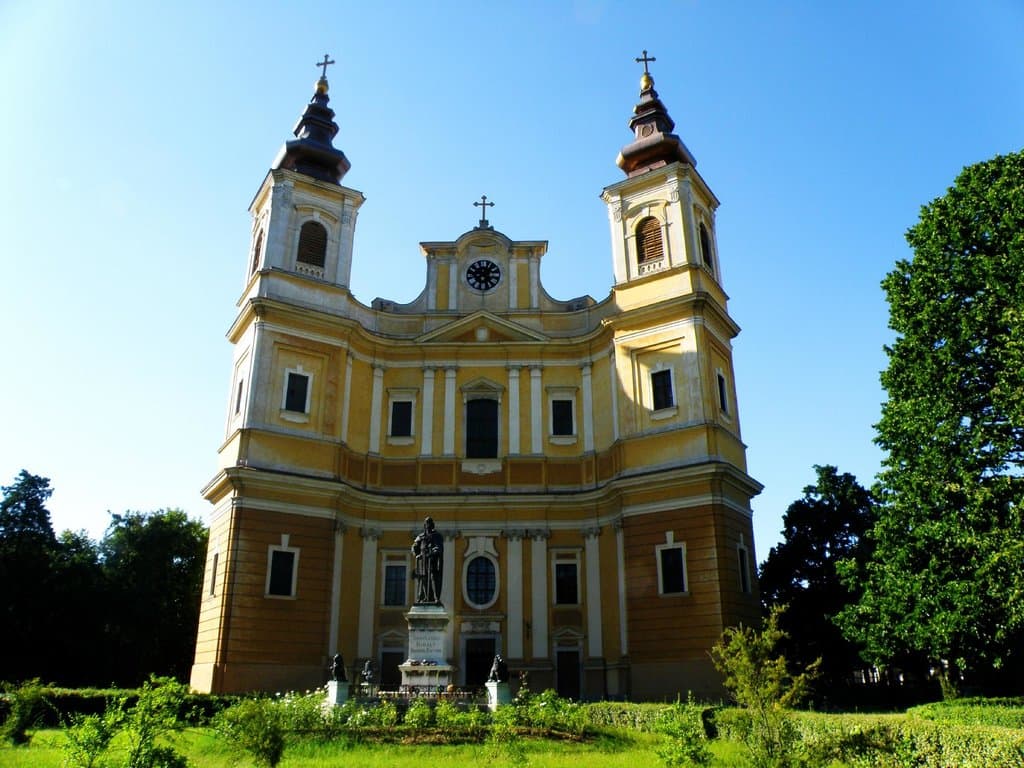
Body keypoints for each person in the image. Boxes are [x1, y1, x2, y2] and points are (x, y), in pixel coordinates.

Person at [412, 516, 444, 604]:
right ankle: (425, 597)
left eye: (429, 523)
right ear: (424, 525)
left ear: (432, 525)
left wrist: (433, 552)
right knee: (424, 578)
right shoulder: (421, 536)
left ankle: (435, 597)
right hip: (423, 560)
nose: (428, 525)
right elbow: (414, 546)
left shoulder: (437, 536)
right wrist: (416, 553)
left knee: (433, 578)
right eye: (426, 523)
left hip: (432, 560)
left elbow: (438, 547)